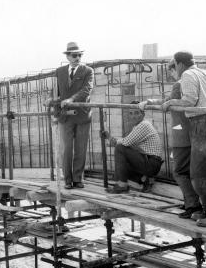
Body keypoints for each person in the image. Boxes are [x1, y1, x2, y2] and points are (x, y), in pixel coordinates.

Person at [141, 51, 206, 227]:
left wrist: (170, 103)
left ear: (179, 64)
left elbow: (189, 100)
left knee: (200, 173)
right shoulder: (205, 72)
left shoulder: (188, 74)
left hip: (201, 123)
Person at [140, 60, 201, 219]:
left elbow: (166, 101)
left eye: (172, 72)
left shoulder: (179, 85)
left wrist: (148, 102)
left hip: (181, 134)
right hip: (192, 133)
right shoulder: (194, 81)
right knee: (189, 171)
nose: (172, 76)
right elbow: (167, 100)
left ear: (178, 68)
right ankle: (191, 203)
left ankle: (193, 205)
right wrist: (150, 102)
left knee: (180, 171)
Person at [103, 101, 164, 193]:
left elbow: (125, 143)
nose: (133, 116)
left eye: (136, 113)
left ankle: (122, 185)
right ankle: (142, 180)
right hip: (149, 161)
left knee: (120, 148)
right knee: (122, 158)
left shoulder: (143, 125)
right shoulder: (138, 126)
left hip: (151, 163)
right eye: (131, 113)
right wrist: (111, 140)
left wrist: (110, 139)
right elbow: (129, 144)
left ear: (143, 114)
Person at [55, 42, 94, 189]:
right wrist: (52, 100)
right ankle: (68, 180)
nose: (77, 57)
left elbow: (86, 90)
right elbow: (59, 94)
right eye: (74, 55)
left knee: (80, 148)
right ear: (68, 57)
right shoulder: (59, 72)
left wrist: (71, 99)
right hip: (66, 116)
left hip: (83, 116)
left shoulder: (88, 71)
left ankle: (78, 179)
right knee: (67, 149)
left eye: (79, 55)